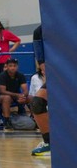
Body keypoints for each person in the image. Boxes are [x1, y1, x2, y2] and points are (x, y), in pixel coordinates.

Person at [30, 25, 50, 157]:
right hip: (61, 71)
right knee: (37, 102)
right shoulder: (40, 31)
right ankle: (49, 143)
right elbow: (38, 32)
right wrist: (43, 64)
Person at [0, 58, 29, 131]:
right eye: (10, 66)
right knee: (7, 98)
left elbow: (25, 90)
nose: (12, 67)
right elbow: (2, 91)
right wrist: (17, 95)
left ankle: (35, 119)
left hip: (15, 96)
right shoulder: (2, 75)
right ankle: (6, 122)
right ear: (7, 66)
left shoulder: (20, 75)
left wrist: (23, 96)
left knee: (31, 98)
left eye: (14, 66)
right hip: (0, 97)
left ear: (17, 67)